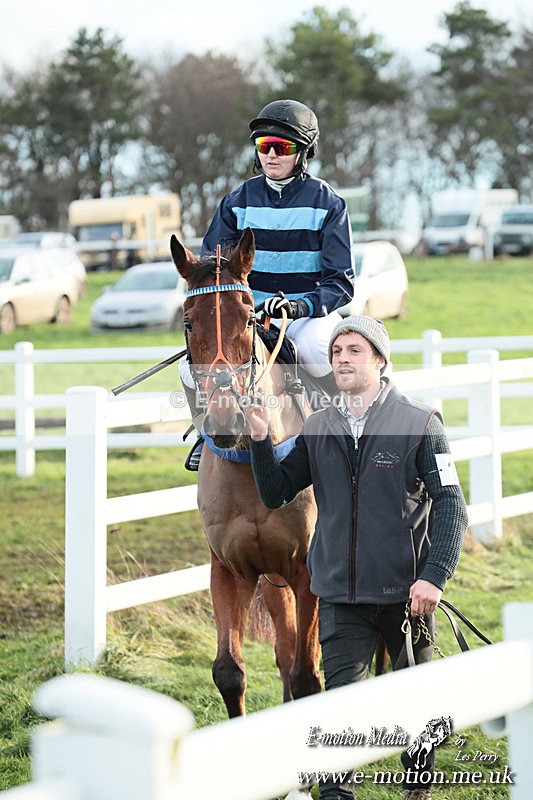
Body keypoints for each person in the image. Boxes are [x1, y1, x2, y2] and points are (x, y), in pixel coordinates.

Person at [244, 315, 469, 800]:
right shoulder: (319, 426)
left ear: (380, 360)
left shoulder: (420, 423)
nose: (342, 359)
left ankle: (418, 787)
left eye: (354, 350)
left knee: (415, 704)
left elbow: (452, 503)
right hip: (340, 596)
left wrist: (434, 577)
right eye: (336, 351)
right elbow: (276, 492)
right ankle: (335, 794)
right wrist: (261, 440)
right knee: (341, 710)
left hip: (407, 596)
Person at [180, 98, 354, 469]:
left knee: (315, 348)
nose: (271, 155)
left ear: (303, 152)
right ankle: (206, 434)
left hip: (305, 315)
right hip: (246, 316)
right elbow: (213, 270)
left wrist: (301, 306)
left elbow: (341, 281)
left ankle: (346, 431)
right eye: (264, 146)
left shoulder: (329, 204)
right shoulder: (236, 202)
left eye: (282, 147)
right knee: (188, 368)